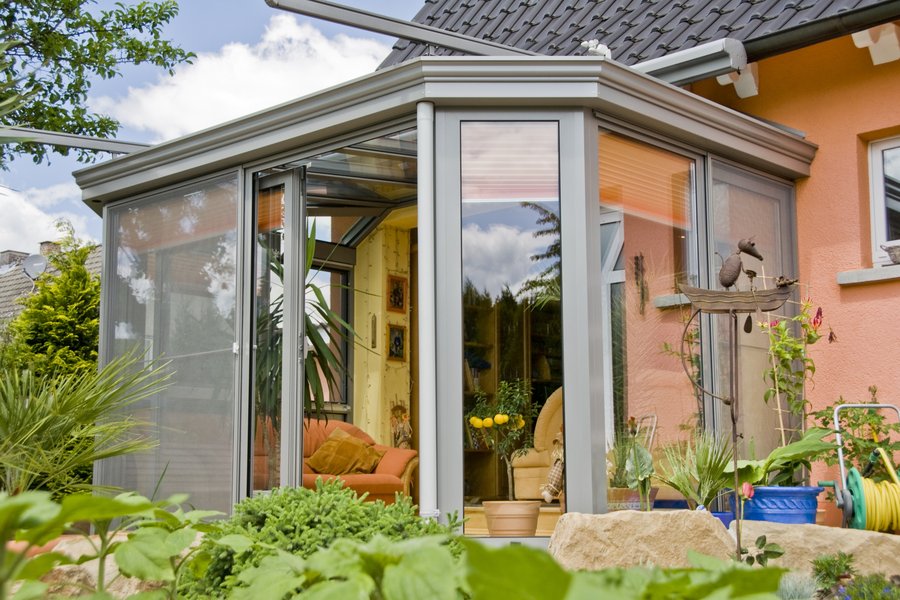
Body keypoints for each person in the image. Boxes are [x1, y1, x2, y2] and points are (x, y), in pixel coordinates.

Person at [540, 426, 565, 503]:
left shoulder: (561, 461)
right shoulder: (560, 460)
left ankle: (550, 492)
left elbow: (556, 476)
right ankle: (550, 492)